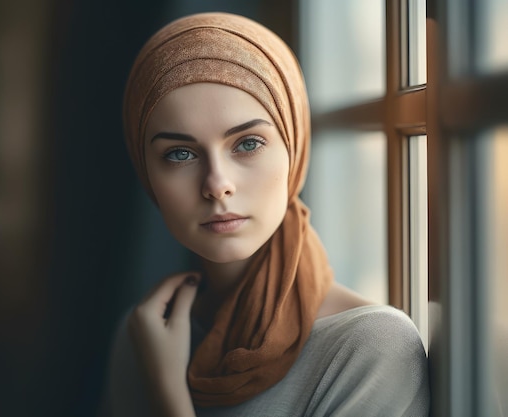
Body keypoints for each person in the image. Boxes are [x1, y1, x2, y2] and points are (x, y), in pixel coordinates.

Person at [99, 11, 429, 417]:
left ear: (294, 148)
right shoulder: (144, 335)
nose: (217, 183)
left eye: (248, 143)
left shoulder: (370, 345)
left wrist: (169, 393)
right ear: (146, 172)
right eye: (180, 153)